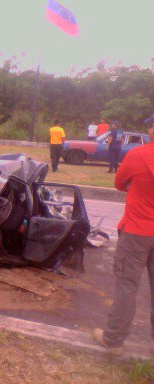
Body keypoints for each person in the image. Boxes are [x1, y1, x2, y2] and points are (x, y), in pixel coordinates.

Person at [93, 121, 154, 356]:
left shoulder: (138, 155)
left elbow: (119, 183)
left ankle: (114, 338)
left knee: (127, 286)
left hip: (137, 232)